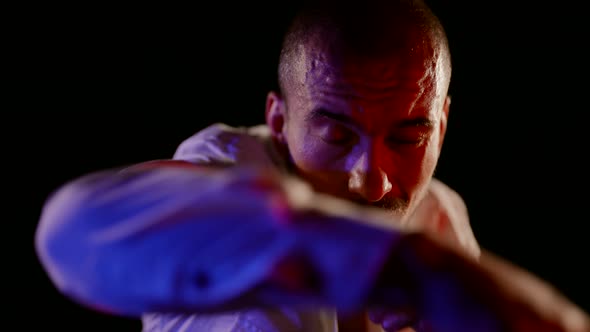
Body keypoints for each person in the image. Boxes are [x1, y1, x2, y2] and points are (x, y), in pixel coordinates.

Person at [35, 0, 590, 331]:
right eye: (336, 135)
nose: (373, 181)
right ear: (278, 120)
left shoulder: (441, 215)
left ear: (442, 124)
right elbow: (70, 234)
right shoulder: (229, 170)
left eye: (408, 137)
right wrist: (393, 267)